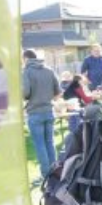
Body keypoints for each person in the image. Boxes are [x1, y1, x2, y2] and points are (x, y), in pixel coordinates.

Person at [22, 49, 60, 181]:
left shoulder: (26, 71)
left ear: (25, 58)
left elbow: (25, 93)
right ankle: (55, 171)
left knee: (40, 145)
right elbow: (58, 92)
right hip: (49, 111)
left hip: (35, 112)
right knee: (50, 142)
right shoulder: (49, 70)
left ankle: (46, 174)